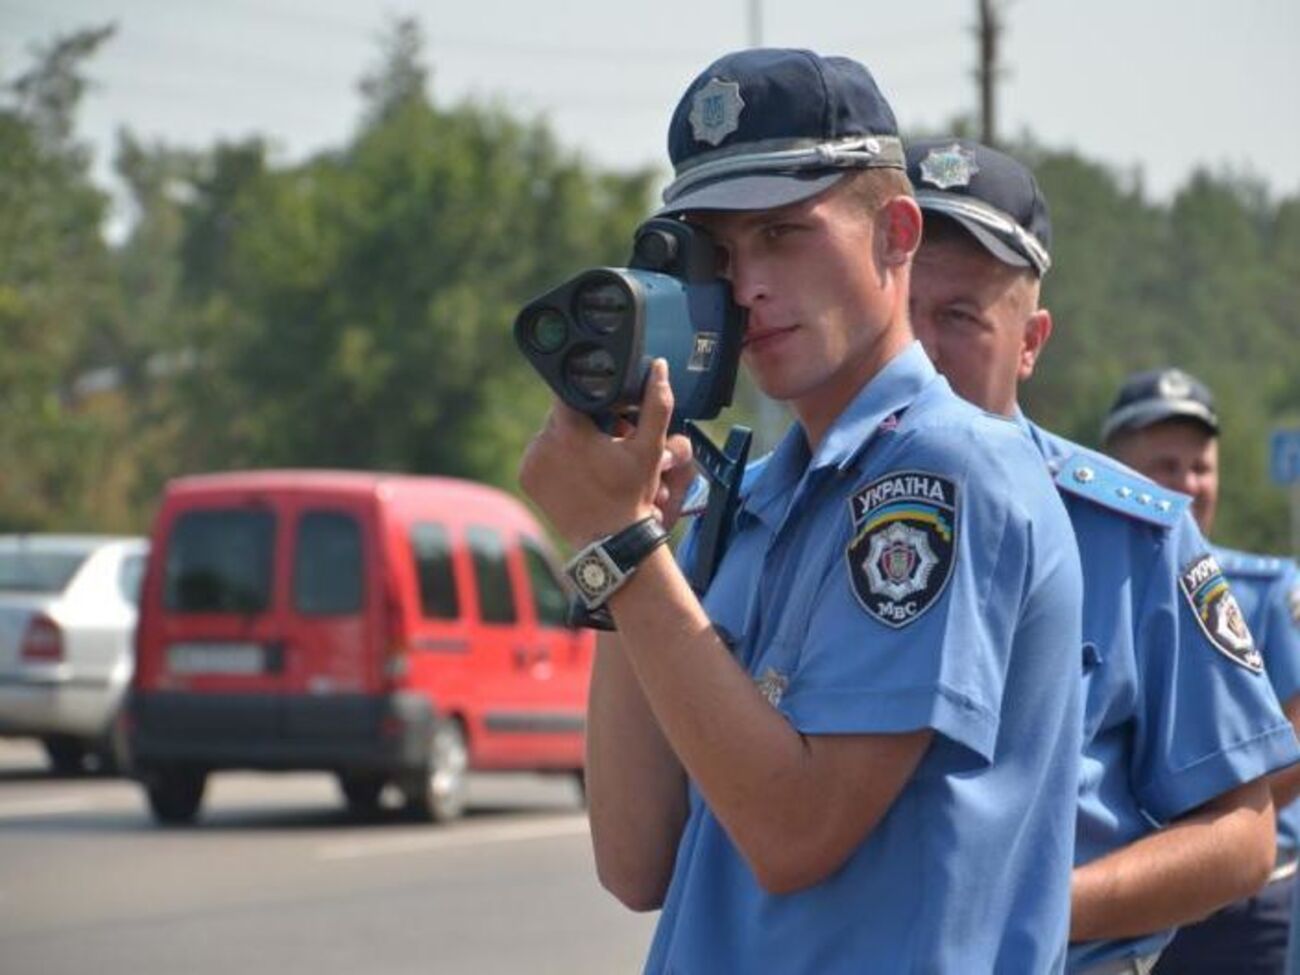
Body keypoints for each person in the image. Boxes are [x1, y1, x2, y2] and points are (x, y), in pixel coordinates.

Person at [519, 49, 1085, 973]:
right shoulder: (757, 495)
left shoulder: (939, 473)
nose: (745, 286)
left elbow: (795, 832)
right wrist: (628, 543)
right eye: (721, 249)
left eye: (783, 234)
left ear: (896, 234)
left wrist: (625, 552)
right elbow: (633, 857)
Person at [905, 137, 1299, 975]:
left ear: (1031, 341)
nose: (920, 350)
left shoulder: (1129, 536)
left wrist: (1026, 910)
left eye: (960, 317)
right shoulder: (762, 511)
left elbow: (1241, 832)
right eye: (899, 309)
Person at [1101, 368, 1300, 975]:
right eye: (1166, 465)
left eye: (1200, 467)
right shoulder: (1086, 590)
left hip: (1246, 907)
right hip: (1118, 907)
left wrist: (1193, 845)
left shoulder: (1266, 592)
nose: (1187, 485)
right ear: (1111, 467)